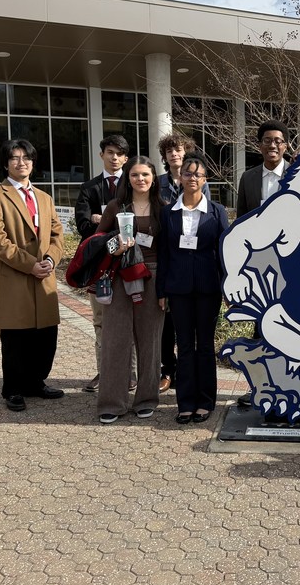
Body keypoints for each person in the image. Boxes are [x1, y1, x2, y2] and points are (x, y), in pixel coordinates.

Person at [0, 139, 66, 412]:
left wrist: (51, 258)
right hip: (16, 276)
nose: (21, 162)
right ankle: (14, 389)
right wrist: (30, 264)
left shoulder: (44, 198)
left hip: (45, 277)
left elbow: (57, 233)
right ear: (6, 163)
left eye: (26, 157)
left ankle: (35, 382)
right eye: (15, 158)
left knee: (45, 335)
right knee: (16, 336)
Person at [157, 154, 230, 425]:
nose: (192, 178)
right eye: (187, 173)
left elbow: (225, 252)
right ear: (180, 177)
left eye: (198, 174)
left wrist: (228, 287)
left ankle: (206, 401)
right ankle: (185, 403)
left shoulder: (217, 211)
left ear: (205, 179)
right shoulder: (168, 213)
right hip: (178, 289)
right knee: (184, 346)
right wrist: (161, 290)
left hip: (208, 288)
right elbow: (164, 254)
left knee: (205, 346)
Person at [94, 157, 167, 424]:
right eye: (135, 175)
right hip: (119, 276)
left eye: (145, 174)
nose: (140, 180)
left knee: (150, 341)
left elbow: (168, 251)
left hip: (153, 276)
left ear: (153, 178)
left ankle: (147, 399)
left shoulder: (162, 208)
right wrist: (117, 245)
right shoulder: (116, 207)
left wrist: (165, 289)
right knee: (115, 340)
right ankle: (112, 402)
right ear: (128, 178)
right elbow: (97, 241)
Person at [234, 120, 291, 408]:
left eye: (278, 140)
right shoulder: (249, 178)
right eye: (267, 140)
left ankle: (293, 386)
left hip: (293, 265)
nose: (272, 145)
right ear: (259, 145)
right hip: (258, 264)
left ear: (285, 145)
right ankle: (260, 387)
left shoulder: (297, 176)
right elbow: (241, 220)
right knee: (260, 325)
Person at [156, 132, 211, 393]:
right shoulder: (160, 188)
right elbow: (163, 246)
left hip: (203, 280)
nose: (174, 155)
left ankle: (203, 393)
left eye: (179, 150)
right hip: (176, 276)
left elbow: (216, 239)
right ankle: (173, 377)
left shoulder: (211, 201)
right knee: (176, 335)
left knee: (202, 342)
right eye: (170, 152)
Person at [75, 134, 130, 392]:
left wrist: (103, 218)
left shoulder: (133, 185)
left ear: (126, 158)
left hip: (129, 265)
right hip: (100, 269)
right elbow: (84, 226)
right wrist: (104, 222)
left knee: (128, 322)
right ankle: (104, 372)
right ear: (102, 155)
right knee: (100, 322)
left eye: (119, 154)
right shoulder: (89, 188)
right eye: (110, 152)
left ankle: (130, 375)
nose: (114, 157)